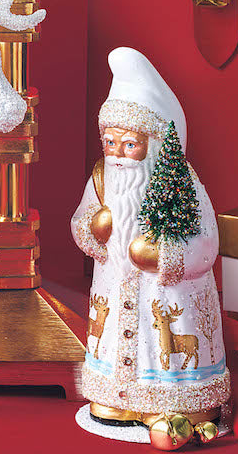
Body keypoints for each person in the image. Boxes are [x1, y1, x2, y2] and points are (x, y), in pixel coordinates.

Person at [71, 48, 229, 434]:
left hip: (169, 294)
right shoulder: (102, 179)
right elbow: (79, 222)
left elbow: (206, 243)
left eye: (130, 144)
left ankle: (177, 403)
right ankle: (116, 399)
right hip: (114, 287)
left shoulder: (183, 184)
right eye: (110, 143)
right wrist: (94, 228)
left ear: (154, 143)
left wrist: (165, 255)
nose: (118, 155)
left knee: (167, 351)